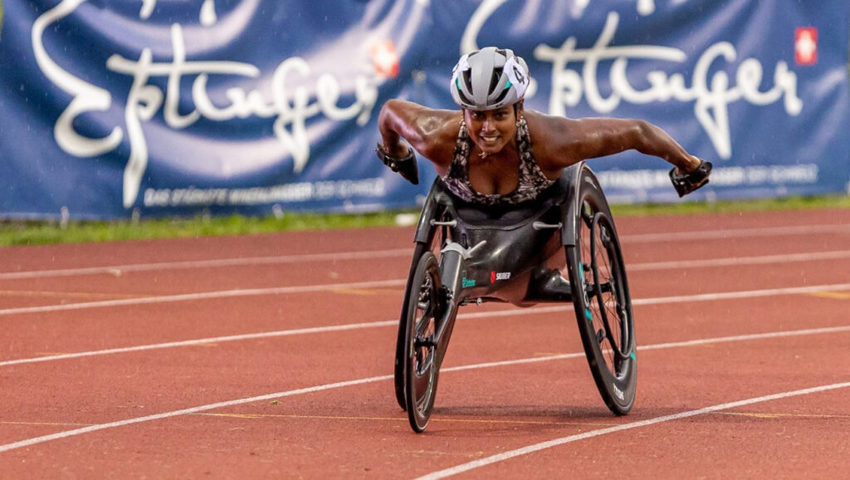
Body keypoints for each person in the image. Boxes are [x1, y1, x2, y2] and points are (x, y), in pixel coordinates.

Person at [376, 46, 711, 203]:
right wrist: (397, 153)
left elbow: (637, 132)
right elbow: (390, 112)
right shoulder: (435, 137)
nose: (488, 128)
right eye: (477, 115)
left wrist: (689, 165)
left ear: (519, 109)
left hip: (539, 227)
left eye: (500, 114)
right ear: (463, 112)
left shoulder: (551, 142)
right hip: (465, 222)